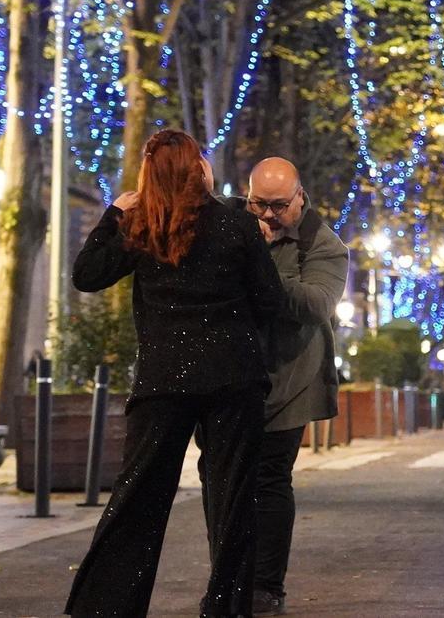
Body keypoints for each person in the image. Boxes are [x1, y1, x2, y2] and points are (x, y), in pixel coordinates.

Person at [65, 130, 283, 617]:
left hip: (165, 378)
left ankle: (107, 606)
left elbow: (87, 274)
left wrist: (114, 215)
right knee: (232, 498)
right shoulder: (237, 227)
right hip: (234, 376)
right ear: (197, 169)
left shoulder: (144, 226)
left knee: (139, 496)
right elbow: (271, 301)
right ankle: (226, 606)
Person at [233, 157, 349, 616]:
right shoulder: (234, 222)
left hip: (290, 380)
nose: (266, 214)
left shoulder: (324, 244)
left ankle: (265, 585)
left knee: (270, 478)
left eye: (278, 205)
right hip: (231, 376)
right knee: (222, 481)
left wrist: (257, 262)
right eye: (257, 203)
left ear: (300, 197)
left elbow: (316, 304)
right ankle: (228, 578)